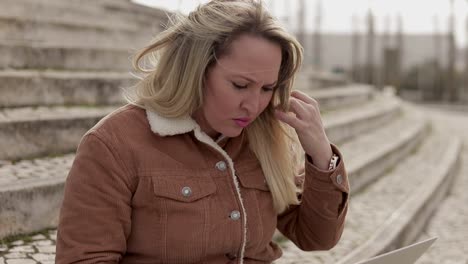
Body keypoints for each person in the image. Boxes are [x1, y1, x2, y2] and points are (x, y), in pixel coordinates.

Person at [55, 0, 349, 263]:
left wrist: (320, 154)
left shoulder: (264, 138)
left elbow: (317, 238)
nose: (254, 105)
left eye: (267, 88)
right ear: (194, 70)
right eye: (240, 85)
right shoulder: (112, 145)